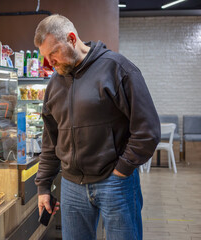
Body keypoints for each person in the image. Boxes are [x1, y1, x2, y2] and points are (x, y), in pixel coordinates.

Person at [34, 14, 160, 240]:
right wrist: (43, 187)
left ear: (72, 38)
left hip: (114, 183)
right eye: (45, 56)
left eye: (53, 53)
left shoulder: (117, 69)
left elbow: (147, 129)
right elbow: (51, 141)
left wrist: (122, 170)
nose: (49, 62)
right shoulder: (54, 84)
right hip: (71, 185)